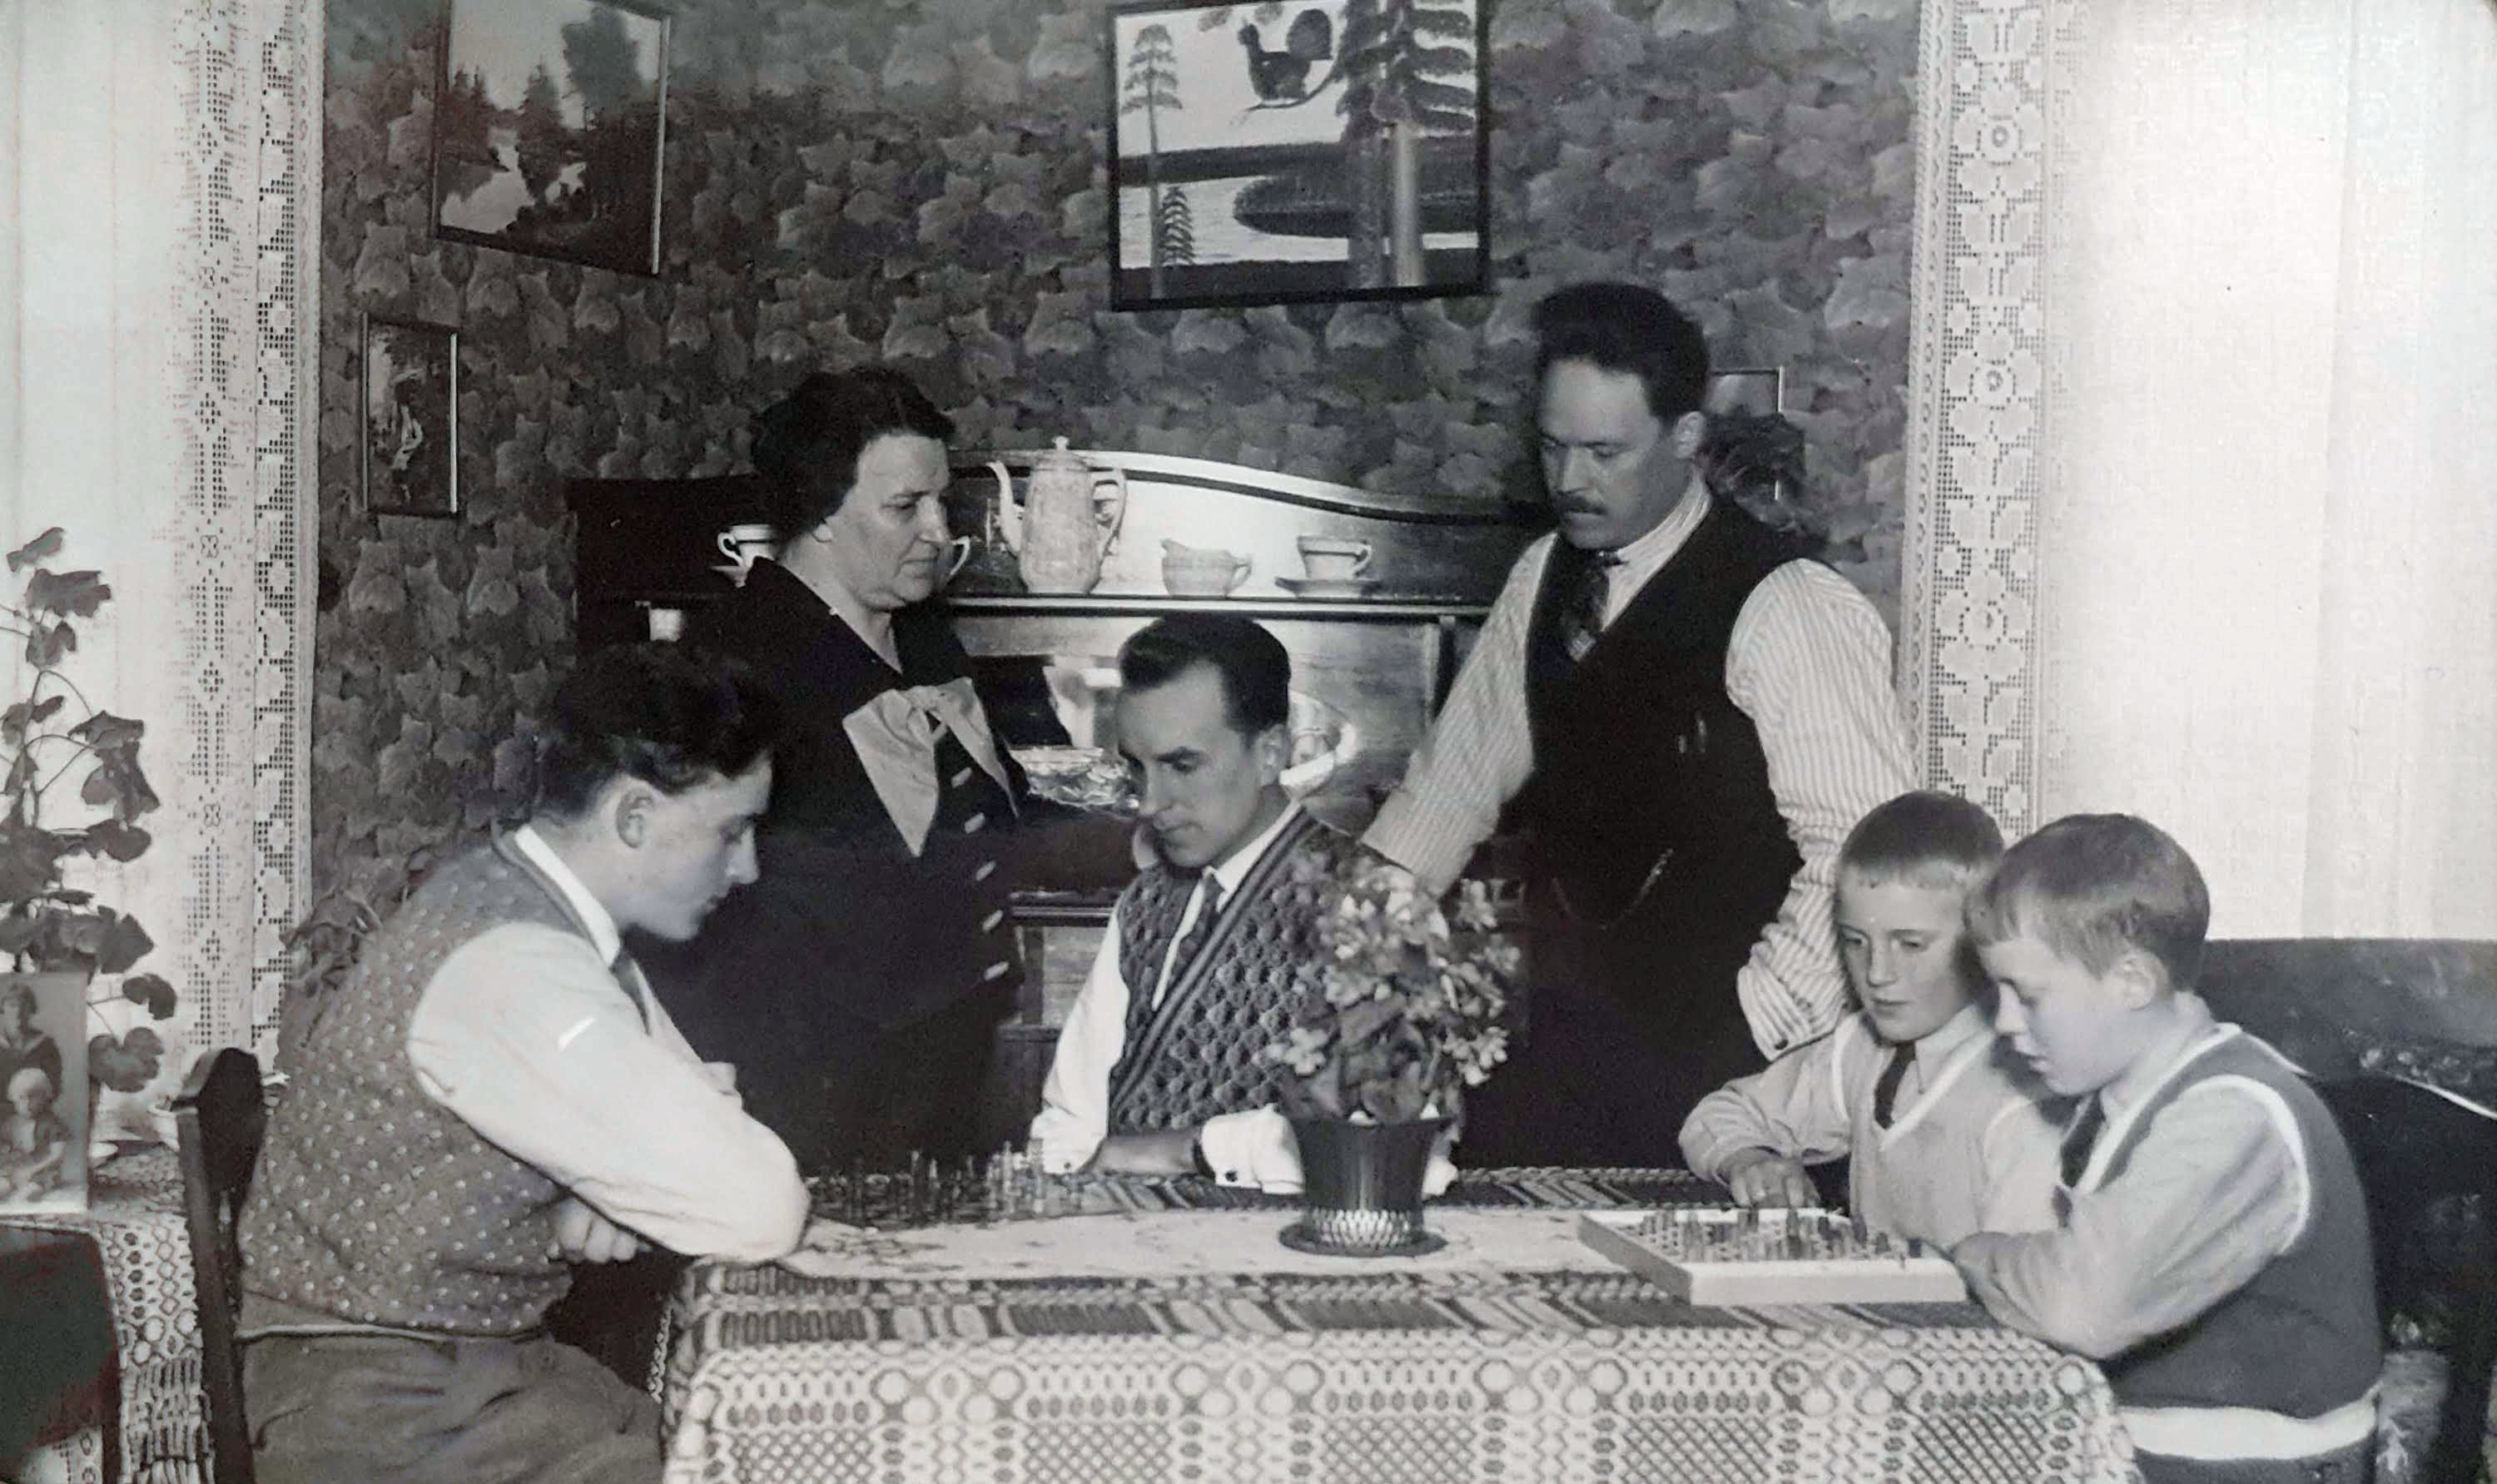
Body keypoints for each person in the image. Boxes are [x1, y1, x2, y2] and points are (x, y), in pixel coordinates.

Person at [1363, 281, 1915, 1165]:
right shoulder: (1542, 574)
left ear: (1686, 437)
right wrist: (1357, 944)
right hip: (1569, 1046)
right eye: (1552, 447)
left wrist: (1755, 1020)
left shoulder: (1787, 603)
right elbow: (1448, 792)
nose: (1570, 482)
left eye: (1604, 452)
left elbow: (1866, 853)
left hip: (1728, 1068)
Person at [236, 643, 808, 1484]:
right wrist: (627, 1182)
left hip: (470, 1375)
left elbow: (704, 1121)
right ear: (634, 816)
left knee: (748, 1446)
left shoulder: (533, 912)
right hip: (382, 1415)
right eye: (732, 830)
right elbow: (758, 1204)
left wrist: (620, 1181)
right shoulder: (516, 963)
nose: (748, 866)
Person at [648, 366, 1026, 1174]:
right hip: (810, 1086)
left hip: (944, 1065)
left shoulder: (922, 634)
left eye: (942, 502)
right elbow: (683, 914)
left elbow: (981, 811)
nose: (938, 532)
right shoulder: (735, 662)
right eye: (905, 507)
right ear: (821, 514)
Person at [1953, 813, 2380, 1484]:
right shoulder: (2125, 1096)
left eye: (2027, 996)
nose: (2004, 1022)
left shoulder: (2235, 1114)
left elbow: (2084, 1306)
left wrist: (1975, 1253)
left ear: (2132, 982)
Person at [1028, 614, 1363, 1189]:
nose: (1150, 803)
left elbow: (1397, 1144)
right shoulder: (1145, 902)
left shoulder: (1370, 903)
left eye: (1182, 765)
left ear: (1270, 754)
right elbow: (1064, 1133)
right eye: (1138, 768)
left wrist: (1193, 1150)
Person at [1679, 791, 2062, 1246]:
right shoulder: (1861, 1049)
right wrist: (1750, 1160)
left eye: (1911, 944)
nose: (1877, 973)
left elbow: (2022, 1280)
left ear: (1981, 938)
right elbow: (1720, 1113)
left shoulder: (2024, 1096)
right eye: (1855, 941)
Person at [0, 1065, 69, 1201]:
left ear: (45, 1097)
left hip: (41, 1173)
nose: (27, 1103)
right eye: (21, 1098)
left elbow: (57, 1156)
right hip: (15, 1170)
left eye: (33, 1097)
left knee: (27, 1195)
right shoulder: (11, 1123)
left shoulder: (52, 1125)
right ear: (13, 1100)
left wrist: (33, 1170)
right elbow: (4, 1145)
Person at [0, 983, 62, 1108]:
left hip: (35, 1111)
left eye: (24, 1006)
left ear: (32, 1010)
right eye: (12, 1006)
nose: (18, 1012)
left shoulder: (45, 1046)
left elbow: (54, 1088)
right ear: (3, 1008)